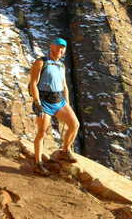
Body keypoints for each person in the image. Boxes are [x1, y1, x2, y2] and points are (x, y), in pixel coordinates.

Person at [29, 37, 80, 176]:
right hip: (44, 101)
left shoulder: (61, 66)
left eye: (63, 48)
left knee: (74, 125)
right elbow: (33, 83)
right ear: (51, 47)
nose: (60, 50)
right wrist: (37, 102)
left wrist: (67, 103)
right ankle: (38, 164)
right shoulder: (41, 62)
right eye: (58, 47)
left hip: (59, 101)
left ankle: (64, 151)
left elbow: (64, 86)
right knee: (41, 132)